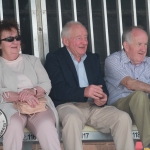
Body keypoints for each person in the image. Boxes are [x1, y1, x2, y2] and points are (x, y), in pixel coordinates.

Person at [45, 21, 134, 150]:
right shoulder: (55, 58)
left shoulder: (92, 58)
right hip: (68, 106)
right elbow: (57, 91)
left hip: (94, 108)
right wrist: (84, 92)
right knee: (72, 120)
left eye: (86, 37)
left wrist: (103, 98)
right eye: (79, 38)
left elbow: (102, 86)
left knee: (123, 118)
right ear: (66, 41)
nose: (85, 42)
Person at [0, 19, 61, 150]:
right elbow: (1, 93)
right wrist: (21, 96)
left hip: (37, 104)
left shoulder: (32, 60)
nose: (15, 42)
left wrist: (32, 92)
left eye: (18, 38)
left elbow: (46, 84)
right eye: (10, 39)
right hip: (10, 106)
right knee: (13, 126)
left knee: (46, 127)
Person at [105, 26, 150, 149]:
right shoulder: (113, 60)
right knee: (139, 95)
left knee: (142, 98)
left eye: (145, 44)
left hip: (143, 108)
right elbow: (130, 83)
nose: (143, 49)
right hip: (120, 107)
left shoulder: (149, 63)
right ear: (126, 45)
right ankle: (149, 144)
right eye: (139, 44)